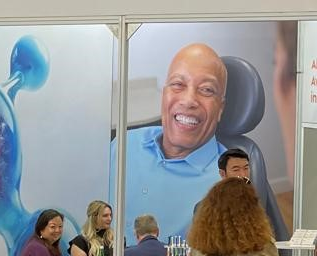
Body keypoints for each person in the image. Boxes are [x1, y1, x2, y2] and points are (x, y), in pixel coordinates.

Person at [110, 42, 288, 243]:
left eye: (206, 90)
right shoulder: (124, 144)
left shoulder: (228, 184)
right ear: (164, 94)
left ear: (220, 108)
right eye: (178, 84)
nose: (188, 101)